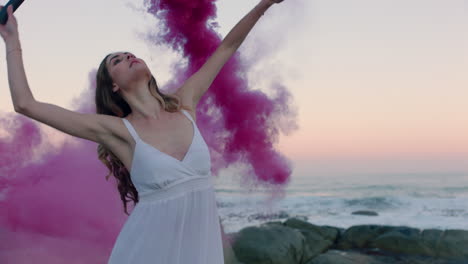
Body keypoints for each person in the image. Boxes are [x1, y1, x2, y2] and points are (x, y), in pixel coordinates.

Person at [0, 0, 285, 263]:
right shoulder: (119, 132)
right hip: (146, 252)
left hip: (198, 252)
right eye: (118, 60)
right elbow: (26, 105)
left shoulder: (185, 103)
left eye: (130, 54)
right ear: (113, 86)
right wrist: (12, 41)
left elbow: (226, 48)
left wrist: (264, 4)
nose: (128, 57)